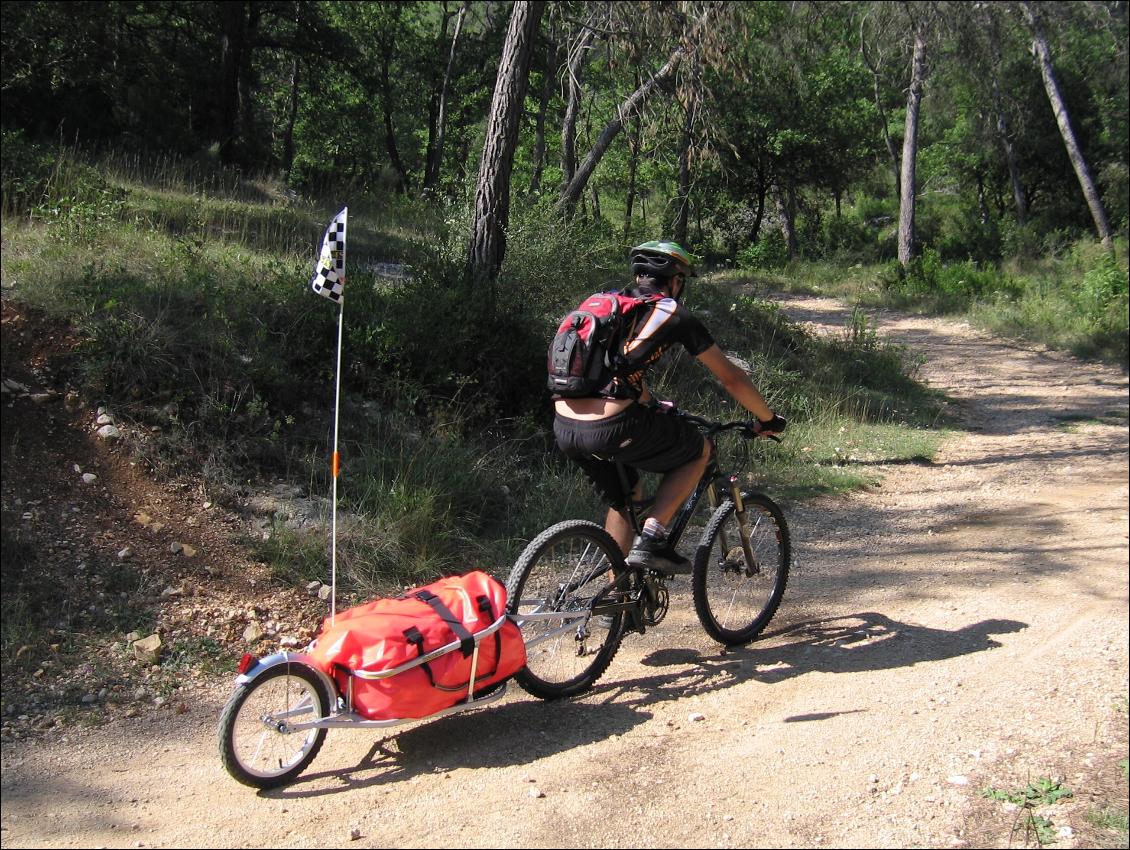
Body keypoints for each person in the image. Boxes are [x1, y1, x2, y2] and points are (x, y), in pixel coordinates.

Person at [552, 240, 786, 574]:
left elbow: (612, 370)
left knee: (627, 498)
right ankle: (652, 539)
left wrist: (651, 403)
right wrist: (768, 418)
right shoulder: (672, 313)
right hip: (611, 427)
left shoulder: (608, 304)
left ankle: (615, 598)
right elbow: (732, 378)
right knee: (699, 449)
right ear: (676, 280)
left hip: (564, 426)